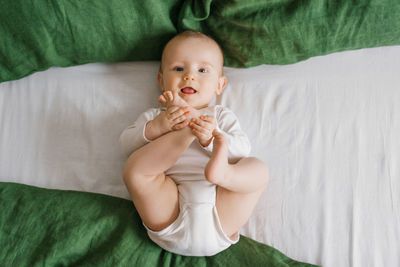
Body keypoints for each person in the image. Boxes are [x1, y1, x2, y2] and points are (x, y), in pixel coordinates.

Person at [119, 30, 269, 256]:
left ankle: (223, 174)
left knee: (258, 169)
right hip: (169, 210)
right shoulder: (157, 116)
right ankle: (186, 132)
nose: (189, 76)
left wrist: (213, 139)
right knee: (135, 170)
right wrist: (158, 128)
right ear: (161, 80)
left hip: (219, 211)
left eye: (202, 70)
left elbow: (242, 149)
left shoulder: (220, 116)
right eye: (179, 69)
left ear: (220, 84)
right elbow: (126, 145)